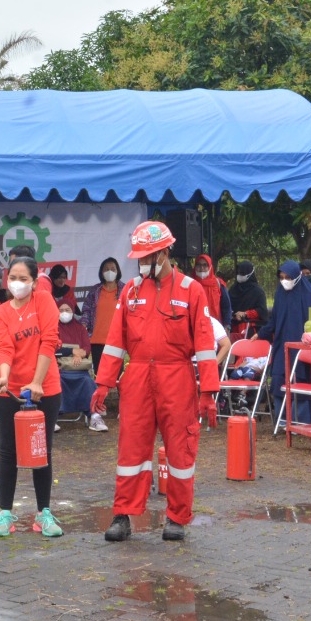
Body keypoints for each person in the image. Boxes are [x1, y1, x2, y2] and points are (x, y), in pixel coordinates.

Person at [90, 220, 219, 543]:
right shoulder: (130, 291)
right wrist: (103, 383)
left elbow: (204, 344)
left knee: (180, 448)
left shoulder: (192, 290)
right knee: (131, 447)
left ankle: (177, 517)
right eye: (140, 258)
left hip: (177, 378)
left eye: (148, 257)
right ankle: (123, 515)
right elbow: (115, 341)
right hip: (137, 378)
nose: (143, 264)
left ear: (164, 253)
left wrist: (209, 391)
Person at [0, 256, 64, 538]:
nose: (17, 283)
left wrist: (37, 381)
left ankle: (43, 513)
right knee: (8, 450)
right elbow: (4, 348)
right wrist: (4, 376)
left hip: (47, 386)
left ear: (34, 281)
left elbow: (49, 340)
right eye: (13, 278)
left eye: (23, 278)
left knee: (42, 449)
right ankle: (5, 514)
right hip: (10, 390)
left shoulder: (43, 301)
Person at [258, 260, 311, 425]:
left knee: (302, 379)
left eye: (288, 277)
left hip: (303, 346)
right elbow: (274, 319)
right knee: (280, 378)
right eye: (281, 277)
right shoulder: (280, 293)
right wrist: (261, 333)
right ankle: (282, 419)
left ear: (297, 276)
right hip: (282, 344)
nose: (284, 280)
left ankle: (303, 420)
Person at [57, 302, 106, 431]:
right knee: (55, 381)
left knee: (88, 381)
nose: (64, 312)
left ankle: (94, 416)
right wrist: (72, 351)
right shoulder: (52, 327)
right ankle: (53, 417)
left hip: (78, 369)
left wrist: (80, 354)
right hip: (60, 369)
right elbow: (53, 347)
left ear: (73, 311)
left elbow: (86, 348)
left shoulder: (79, 328)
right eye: (61, 310)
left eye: (67, 309)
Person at [81, 257, 122, 374]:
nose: (110, 271)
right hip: (97, 340)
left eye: (113, 269)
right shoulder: (95, 290)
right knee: (100, 374)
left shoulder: (124, 290)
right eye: (106, 269)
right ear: (101, 272)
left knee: (117, 374)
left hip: (117, 340)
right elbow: (86, 310)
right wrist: (84, 324)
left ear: (118, 271)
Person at [228, 260, 269, 338]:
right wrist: (233, 314)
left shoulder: (258, 292)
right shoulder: (233, 289)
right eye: (239, 272)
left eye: (242, 273)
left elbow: (262, 311)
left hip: (249, 330)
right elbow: (227, 306)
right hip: (232, 328)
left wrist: (245, 314)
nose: (240, 275)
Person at [193, 255, 232, 327]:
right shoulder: (190, 283)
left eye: (205, 265)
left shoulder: (218, 284)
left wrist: (227, 326)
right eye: (199, 265)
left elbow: (226, 307)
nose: (202, 268)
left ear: (210, 267)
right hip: (195, 327)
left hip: (216, 328)